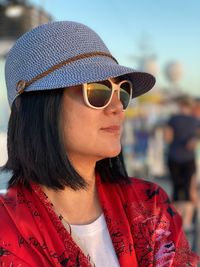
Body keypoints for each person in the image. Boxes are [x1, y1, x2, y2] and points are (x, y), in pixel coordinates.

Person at [0, 21, 199, 267]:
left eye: (121, 91)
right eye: (97, 90)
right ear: (37, 107)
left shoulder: (151, 205)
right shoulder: (6, 231)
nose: (117, 107)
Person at [164, 95, 199, 202]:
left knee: (176, 190)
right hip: (187, 158)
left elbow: (167, 137)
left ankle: (175, 217)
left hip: (175, 157)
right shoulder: (195, 120)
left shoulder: (173, 119)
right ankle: (186, 218)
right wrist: (194, 139)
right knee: (187, 191)